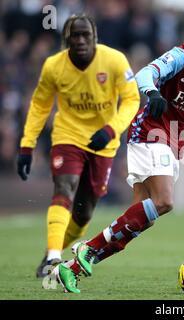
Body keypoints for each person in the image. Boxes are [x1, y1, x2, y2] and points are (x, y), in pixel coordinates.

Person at [50, 16, 184, 293]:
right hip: (151, 131)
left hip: (174, 142)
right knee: (165, 201)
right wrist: (152, 92)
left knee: (135, 224)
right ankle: (88, 247)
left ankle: (70, 268)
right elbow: (145, 73)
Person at [17, 14, 140, 278]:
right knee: (64, 187)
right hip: (67, 136)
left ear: (96, 37)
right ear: (67, 39)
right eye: (76, 35)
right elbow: (40, 106)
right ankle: (52, 258)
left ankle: (53, 249)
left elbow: (131, 99)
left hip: (103, 143)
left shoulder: (115, 61)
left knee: (84, 214)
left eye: (87, 35)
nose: (82, 40)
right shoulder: (53, 66)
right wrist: (27, 146)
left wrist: (110, 129)